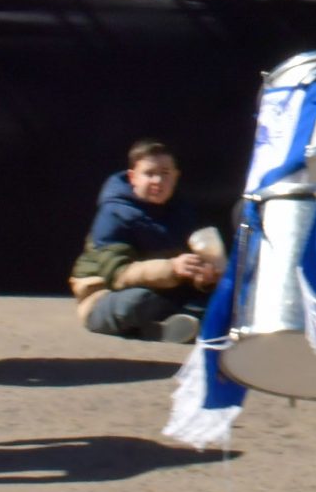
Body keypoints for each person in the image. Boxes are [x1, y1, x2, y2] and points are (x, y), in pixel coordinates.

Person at [69, 140, 222, 343]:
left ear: (176, 176)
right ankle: (179, 323)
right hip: (106, 295)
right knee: (138, 302)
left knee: (221, 297)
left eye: (165, 173)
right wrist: (172, 268)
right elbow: (118, 274)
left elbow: (190, 269)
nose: (158, 180)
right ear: (133, 177)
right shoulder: (114, 214)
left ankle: (172, 326)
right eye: (149, 173)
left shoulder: (183, 212)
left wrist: (203, 279)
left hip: (166, 292)